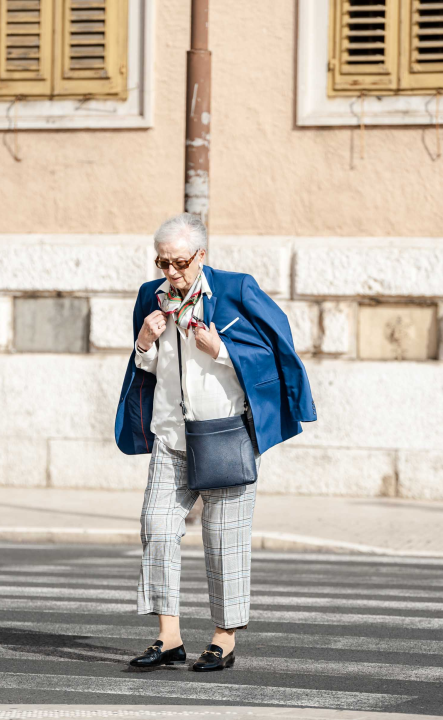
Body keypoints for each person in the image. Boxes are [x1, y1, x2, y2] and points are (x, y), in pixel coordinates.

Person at [113, 213, 317, 672]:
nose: (171, 271)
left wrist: (221, 350)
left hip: (225, 435)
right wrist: (144, 343)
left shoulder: (236, 289)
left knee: (224, 540)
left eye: (180, 262)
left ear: (201, 255)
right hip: (171, 435)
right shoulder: (150, 296)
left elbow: (274, 350)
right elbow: (148, 368)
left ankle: (223, 640)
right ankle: (168, 638)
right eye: (162, 262)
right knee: (157, 529)